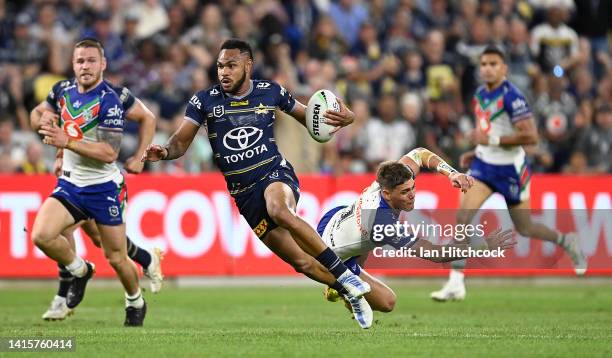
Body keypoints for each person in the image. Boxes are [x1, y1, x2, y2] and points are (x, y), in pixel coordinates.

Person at [142, 39, 373, 328]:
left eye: (231, 65)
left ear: (248, 66)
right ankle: (350, 292)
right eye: (219, 66)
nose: (223, 72)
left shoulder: (271, 92)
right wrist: (164, 152)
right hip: (245, 194)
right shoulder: (204, 100)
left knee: (279, 210)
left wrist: (345, 118)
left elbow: (314, 121)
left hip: (274, 173)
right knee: (302, 263)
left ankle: (344, 274)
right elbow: (180, 142)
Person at [430, 45, 586, 302]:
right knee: (462, 217)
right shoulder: (480, 94)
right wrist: (477, 149)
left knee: (525, 228)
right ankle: (456, 282)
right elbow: (487, 130)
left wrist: (489, 140)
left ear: (504, 69)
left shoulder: (513, 97)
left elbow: (531, 136)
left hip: (511, 170)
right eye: (484, 64)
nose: (488, 68)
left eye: (493, 64)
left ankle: (567, 240)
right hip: (483, 166)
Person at [30, 58, 162, 321]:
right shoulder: (63, 91)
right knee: (58, 231)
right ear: (73, 64)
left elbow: (146, 119)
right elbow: (53, 121)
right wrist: (48, 130)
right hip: (71, 181)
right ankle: (71, 282)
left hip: (102, 184)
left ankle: (131, 280)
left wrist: (140, 156)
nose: (85, 67)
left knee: (106, 246)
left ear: (102, 64)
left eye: (91, 61)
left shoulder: (115, 96)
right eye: (80, 61)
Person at [319, 147, 514, 313]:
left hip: (335, 219)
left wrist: (452, 173)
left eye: (412, 188)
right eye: (405, 192)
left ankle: (347, 284)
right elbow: (436, 254)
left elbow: (419, 154)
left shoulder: (391, 180)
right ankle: (338, 285)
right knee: (388, 302)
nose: (412, 195)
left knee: (365, 242)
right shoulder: (382, 223)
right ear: (386, 193)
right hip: (332, 253)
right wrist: (483, 245)